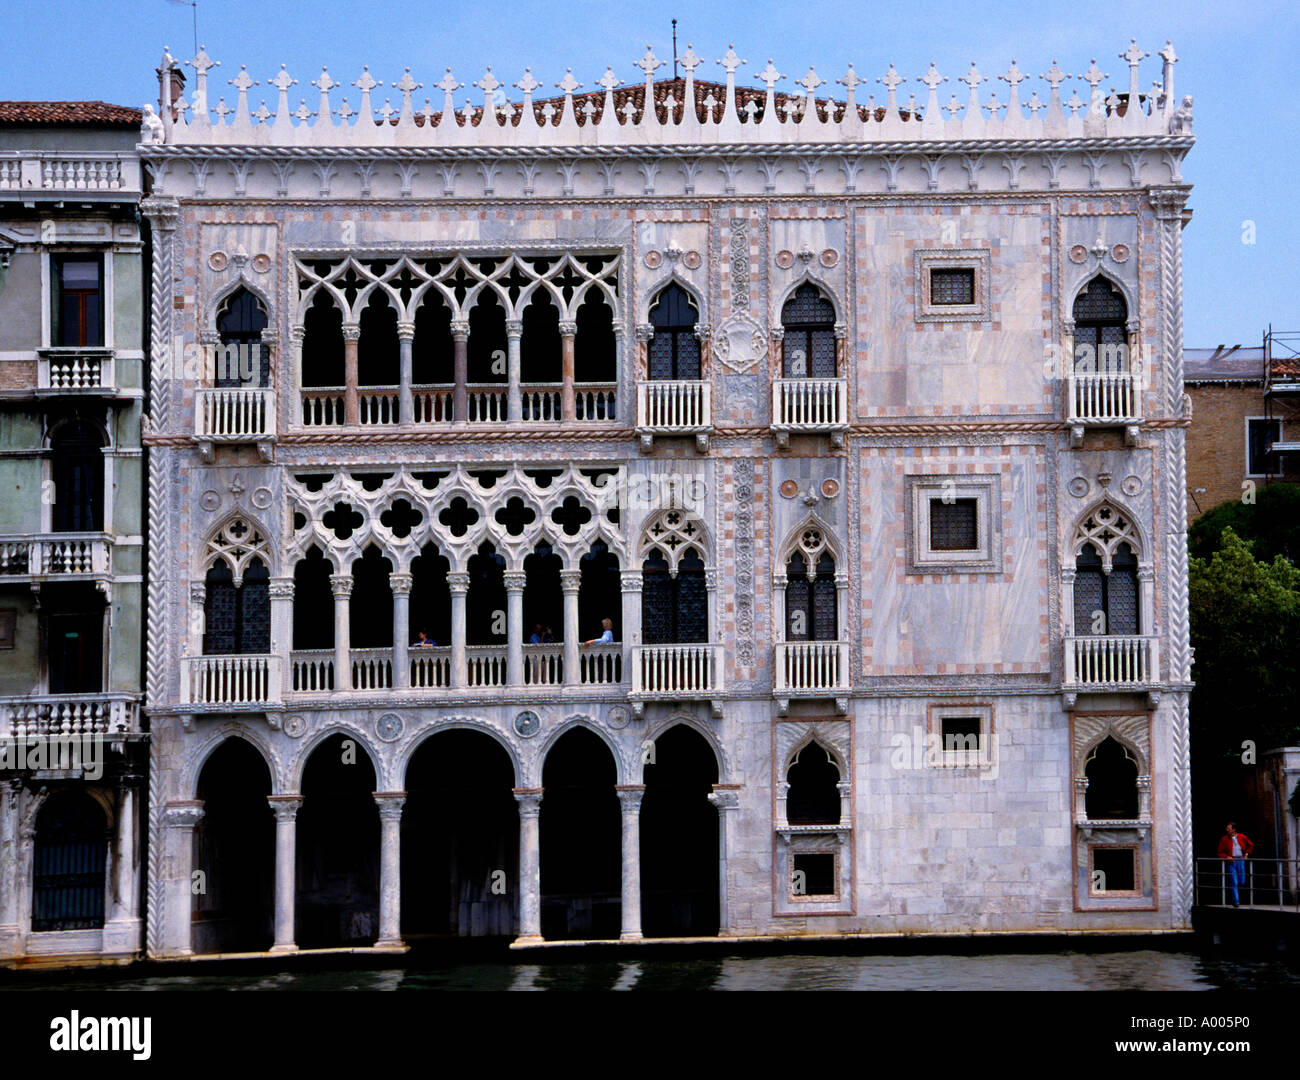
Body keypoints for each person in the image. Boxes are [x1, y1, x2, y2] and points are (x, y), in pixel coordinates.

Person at [1217, 822, 1254, 907]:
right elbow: (1220, 852)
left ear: (1234, 830)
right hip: (1231, 861)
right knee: (1234, 881)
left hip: (1241, 860)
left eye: (1229, 829)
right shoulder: (1224, 839)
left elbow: (1250, 845)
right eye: (1227, 829)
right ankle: (1236, 901)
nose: (1227, 830)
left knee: (1242, 881)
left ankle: (1238, 896)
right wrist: (1227, 857)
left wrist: (1246, 854)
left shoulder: (1242, 837)